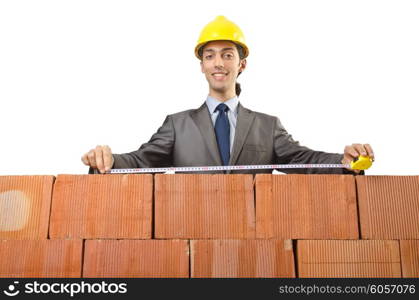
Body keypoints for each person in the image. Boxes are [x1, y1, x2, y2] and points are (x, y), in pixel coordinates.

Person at [82, 16, 374, 175]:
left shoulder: (267, 127)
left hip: (252, 241)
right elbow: (140, 161)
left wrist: (344, 161)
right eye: (209, 56)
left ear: (241, 64)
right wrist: (107, 160)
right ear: (202, 66)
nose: (218, 63)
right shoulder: (177, 125)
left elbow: (304, 160)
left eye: (226, 55)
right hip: (191, 240)